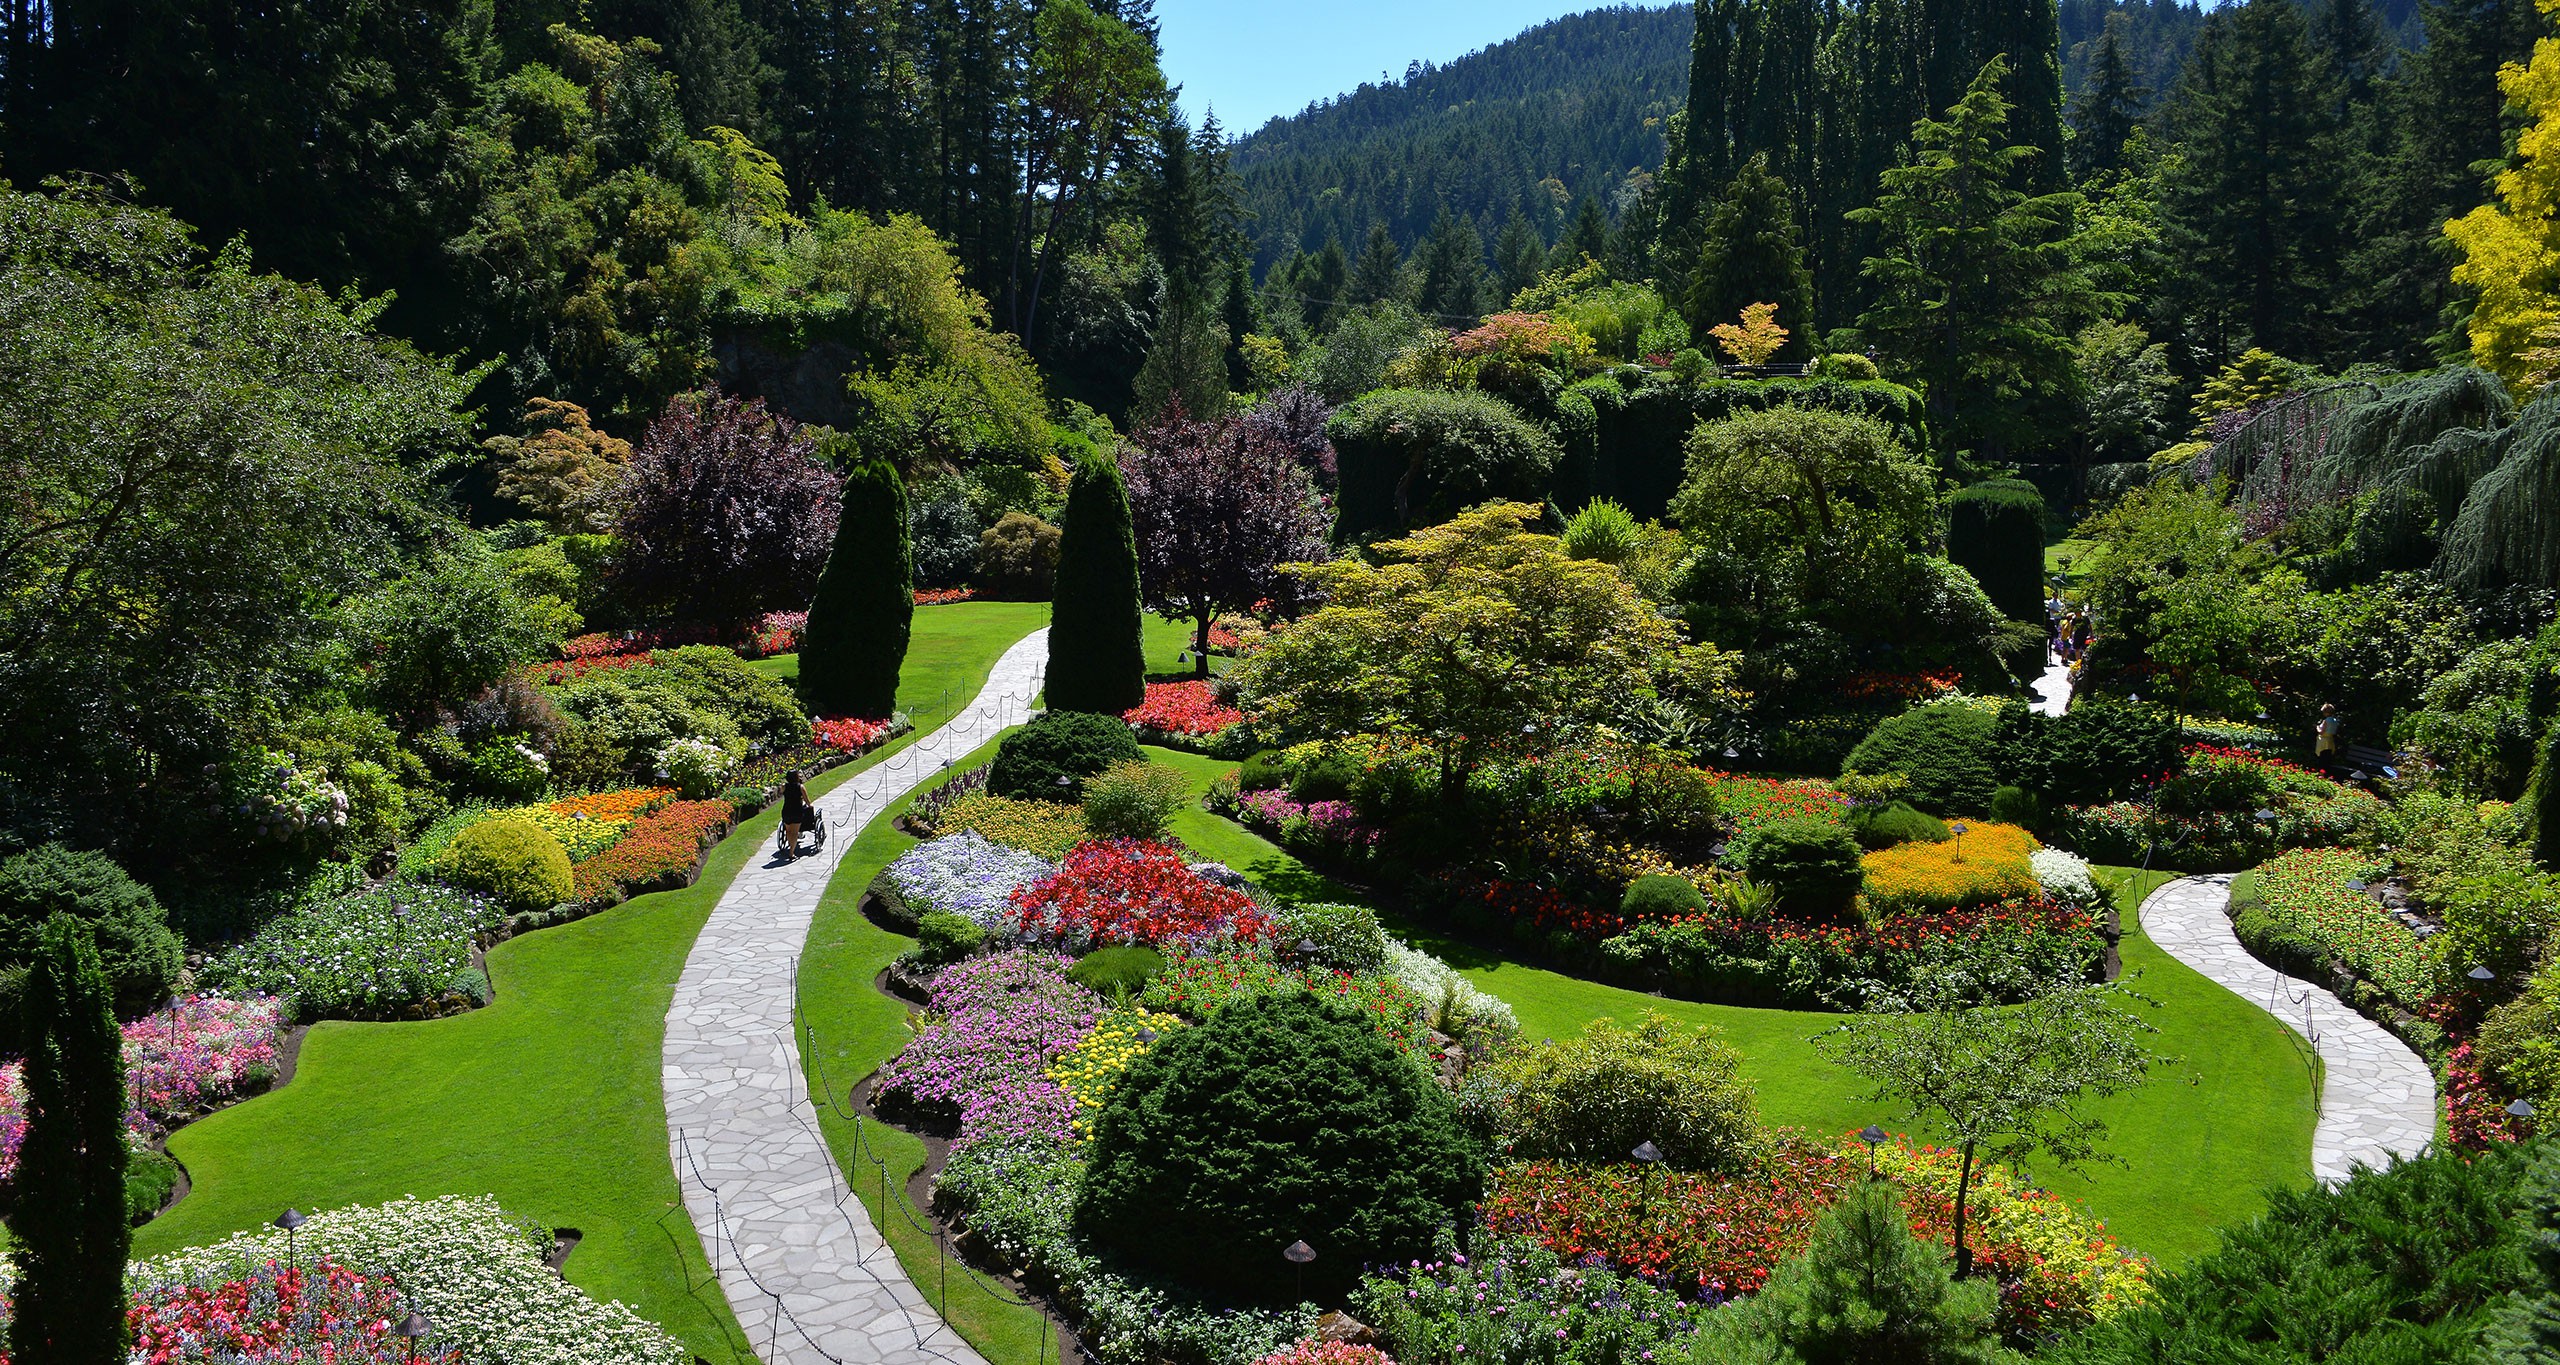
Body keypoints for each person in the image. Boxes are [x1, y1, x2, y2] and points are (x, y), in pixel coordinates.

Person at [780, 770, 813, 858]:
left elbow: (783, 793)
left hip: (786, 810)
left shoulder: (784, 786)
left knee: (788, 831)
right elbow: (806, 800)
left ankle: (791, 846)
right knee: (794, 833)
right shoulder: (800, 787)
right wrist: (810, 806)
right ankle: (791, 852)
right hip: (796, 811)